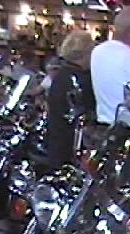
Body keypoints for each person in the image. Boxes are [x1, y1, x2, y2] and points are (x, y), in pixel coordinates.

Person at [46, 31, 95, 168]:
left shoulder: (61, 75)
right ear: (86, 53)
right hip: (73, 147)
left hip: (57, 141)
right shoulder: (83, 80)